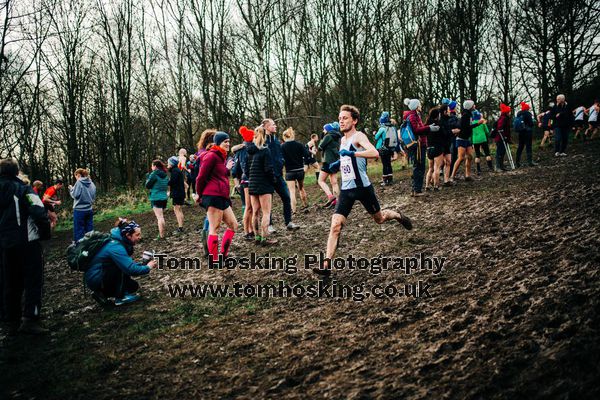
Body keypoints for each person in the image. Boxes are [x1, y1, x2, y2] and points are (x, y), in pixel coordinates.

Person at [315, 105, 412, 277]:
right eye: (340, 118)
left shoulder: (358, 136)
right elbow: (346, 158)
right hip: (346, 191)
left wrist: (353, 155)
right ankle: (326, 265)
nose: (341, 121)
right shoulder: (342, 140)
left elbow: (374, 152)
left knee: (380, 219)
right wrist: (339, 163)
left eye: (345, 118)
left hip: (363, 189)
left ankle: (398, 215)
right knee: (335, 226)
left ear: (354, 120)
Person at [0, 158, 50, 334]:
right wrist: (44, 234)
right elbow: (38, 211)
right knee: (33, 279)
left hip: (5, 243)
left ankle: (10, 317)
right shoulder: (22, 188)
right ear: (16, 172)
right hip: (26, 241)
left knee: (9, 279)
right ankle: (30, 318)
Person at [85, 218, 157, 305]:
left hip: (98, 276)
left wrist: (142, 265)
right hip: (97, 278)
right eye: (137, 235)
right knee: (120, 268)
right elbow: (130, 269)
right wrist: (148, 267)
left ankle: (101, 294)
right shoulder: (115, 246)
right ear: (128, 235)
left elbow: (128, 265)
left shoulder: (117, 241)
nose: (140, 237)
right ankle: (121, 297)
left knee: (132, 286)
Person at [196, 132, 238, 262]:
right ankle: (214, 260)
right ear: (218, 142)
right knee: (214, 228)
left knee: (234, 225)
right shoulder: (211, 156)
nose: (228, 143)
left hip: (222, 196)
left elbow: (219, 174)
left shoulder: (221, 157)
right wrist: (199, 194)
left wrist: (227, 169)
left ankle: (223, 255)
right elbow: (201, 177)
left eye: (228, 141)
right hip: (213, 196)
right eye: (225, 141)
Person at [262, 119, 300, 232]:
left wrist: (281, 161)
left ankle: (288, 222)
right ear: (267, 127)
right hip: (267, 177)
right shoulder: (263, 141)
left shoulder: (277, 141)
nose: (276, 126)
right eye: (273, 125)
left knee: (286, 197)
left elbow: (279, 155)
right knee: (268, 203)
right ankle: (269, 225)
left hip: (278, 176)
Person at [247, 126, 278, 246]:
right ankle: (265, 237)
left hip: (253, 184)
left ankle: (257, 236)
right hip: (264, 184)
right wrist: (273, 180)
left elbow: (247, 169)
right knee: (266, 212)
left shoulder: (250, 151)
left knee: (255, 212)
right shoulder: (265, 150)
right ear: (265, 136)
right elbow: (268, 169)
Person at [405, 99, 439, 196]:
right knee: (419, 167)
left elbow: (419, 128)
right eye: (419, 104)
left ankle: (415, 189)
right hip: (418, 146)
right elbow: (416, 130)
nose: (421, 106)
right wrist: (429, 128)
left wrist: (428, 126)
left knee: (418, 166)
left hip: (420, 144)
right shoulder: (412, 116)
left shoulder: (415, 115)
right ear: (416, 106)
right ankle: (417, 190)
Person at [195, 129, 217, 251]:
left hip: (207, 190)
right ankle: (208, 246)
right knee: (211, 218)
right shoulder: (206, 154)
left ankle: (207, 243)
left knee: (210, 217)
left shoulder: (201, 153)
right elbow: (202, 175)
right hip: (209, 190)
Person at [281, 127, 310, 213]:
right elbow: (307, 155)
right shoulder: (299, 144)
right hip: (300, 170)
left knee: (292, 191)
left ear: (284, 137)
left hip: (289, 172)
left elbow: (280, 159)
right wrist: (306, 165)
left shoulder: (282, 147)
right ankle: (305, 204)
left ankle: (294, 210)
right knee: (301, 188)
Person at [450, 100, 478, 182]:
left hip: (467, 139)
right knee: (461, 158)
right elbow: (467, 127)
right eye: (473, 105)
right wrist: (478, 123)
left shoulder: (469, 115)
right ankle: (452, 176)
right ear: (470, 107)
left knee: (469, 156)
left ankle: (467, 175)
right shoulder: (465, 115)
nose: (474, 106)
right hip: (461, 139)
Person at [238, 126, 256, 241]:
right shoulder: (246, 149)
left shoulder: (243, 148)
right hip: (248, 180)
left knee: (251, 207)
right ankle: (246, 231)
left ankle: (250, 229)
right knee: (249, 207)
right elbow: (245, 166)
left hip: (247, 179)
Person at [69, 168, 97, 242]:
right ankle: (91, 245)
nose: (76, 178)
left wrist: (71, 189)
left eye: (75, 176)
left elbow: (75, 195)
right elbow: (94, 196)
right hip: (89, 209)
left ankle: (80, 247)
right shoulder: (91, 183)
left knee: (79, 231)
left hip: (79, 210)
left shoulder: (79, 182)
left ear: (78, 175)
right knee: (90, 229)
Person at [318, 122, 342, 207]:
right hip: (335, 161)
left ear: (327, 129)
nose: (323, 130)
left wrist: (322, 137)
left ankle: (330, 196)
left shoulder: (328, 136)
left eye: (324, 129)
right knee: (334, 182)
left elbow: (320, 147)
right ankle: (337, 201)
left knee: (320, 180)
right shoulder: (338, 136)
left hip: (328, 161)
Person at [145, 160, 169, 240]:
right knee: (161, 217)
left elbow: (147, 185)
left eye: (152, 166)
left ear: (155, 166)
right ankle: (162, 234)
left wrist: (147, 178)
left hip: (155, 198)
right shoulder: (165, 175)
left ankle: (161, 236)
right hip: (164, 198)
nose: (151, 167)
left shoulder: (154, 174)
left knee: (160, 217)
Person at [424, 107, 445, 191]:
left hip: (429, 148)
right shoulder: (438, 124)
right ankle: (436, 186)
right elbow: (443, 135)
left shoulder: (426, 125)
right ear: (437, 115)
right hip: (437, 148)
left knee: (430, 168)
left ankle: (427, 186)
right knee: (437, 168)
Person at [374, 111, 398, 186]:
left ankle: (385, 181)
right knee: (389, 164)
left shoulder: (382, 128)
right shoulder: (392, 127)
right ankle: (390, 180)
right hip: (390, 148)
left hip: (383, 148)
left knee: (384, 164)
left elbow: (376, 137)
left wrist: (374, 133)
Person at [471, 109, 493, 175]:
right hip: (483, 139)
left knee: (477, 155)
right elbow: (487, 131)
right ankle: (490, 168)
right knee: (487, 153)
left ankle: (478, 169)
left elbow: (470, 133)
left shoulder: (471, 123)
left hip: (475, 140)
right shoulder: (482, 122)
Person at [515, 102, 537, 168]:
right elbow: (531, 123)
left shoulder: (518, 114)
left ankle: (517, 162)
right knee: (528, 146)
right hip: (527, 132)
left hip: (520, 132)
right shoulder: (527, 113)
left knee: (520, 146)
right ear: (527, 108)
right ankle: (530, 162)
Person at [168, 156, 186, 234]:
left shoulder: (174, 171)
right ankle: (181, 226)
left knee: (177, 210)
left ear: (172, 164)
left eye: (168, 163)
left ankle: (180, 228)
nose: (167, 164)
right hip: (180, 193)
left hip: (177, 193)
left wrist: (167, 182)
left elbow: (172, 182)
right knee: (179, 209)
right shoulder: (177, 170)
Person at [495, 103, 512, 171]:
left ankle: (501, 166)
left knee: (502, 152)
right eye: (509, 112)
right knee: (499, 152)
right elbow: (499, 127)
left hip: (503, 138)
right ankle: (498, 166)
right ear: (506, 112)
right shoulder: (503, 118)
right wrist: (504, 136)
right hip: (500, 138)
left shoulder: (505, 118)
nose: (509, 113)